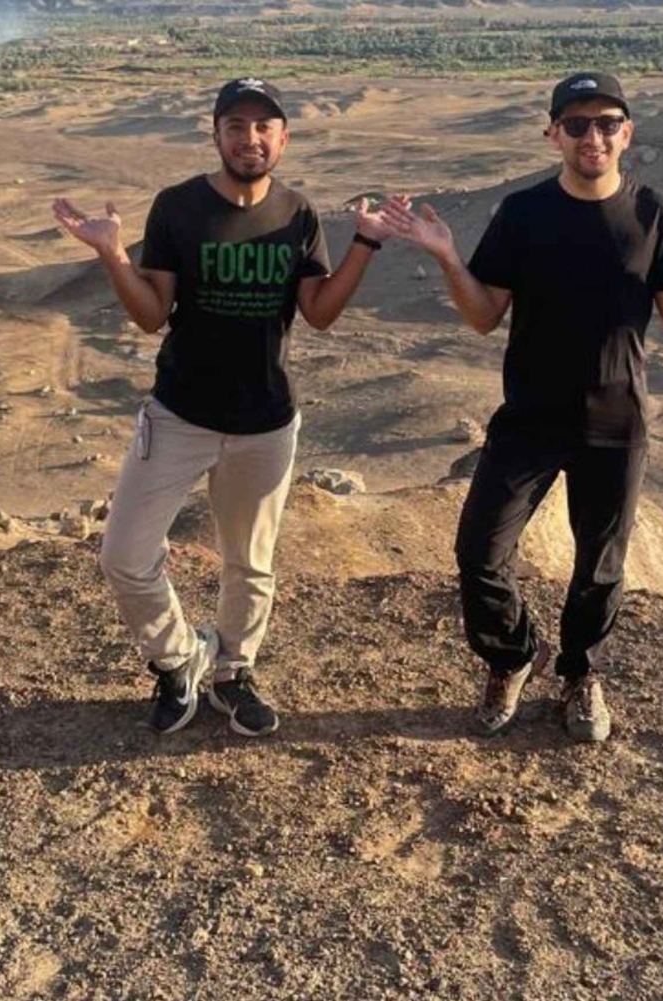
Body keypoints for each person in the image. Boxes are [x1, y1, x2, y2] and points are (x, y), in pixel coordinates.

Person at [381, 71, 663, 742]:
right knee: (479, 551)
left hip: (615, 420)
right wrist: (447, 259)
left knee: (600, 568)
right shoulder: (522, 212)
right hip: (529, 417)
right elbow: (484, 315)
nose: (593, 137)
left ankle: (582, 675)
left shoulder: (653, 212)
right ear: (553, 134)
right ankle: (513, 656)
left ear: (627, 134)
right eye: (577, 124)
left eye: (607, 123)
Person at [52, 76, 402, 737]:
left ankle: (234, 671)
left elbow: (319, 312)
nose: (250, 138)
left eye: (263, 126)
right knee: (124, 553)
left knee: (250, 562)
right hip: (180, 413)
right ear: (215, 134)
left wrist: (366, 242)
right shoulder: (178, 207)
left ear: (283, 138)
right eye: (236, 125)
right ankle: (177, 659)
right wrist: (113, 253)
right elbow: (151, 314)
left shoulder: (298, 213)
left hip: (265, 421)